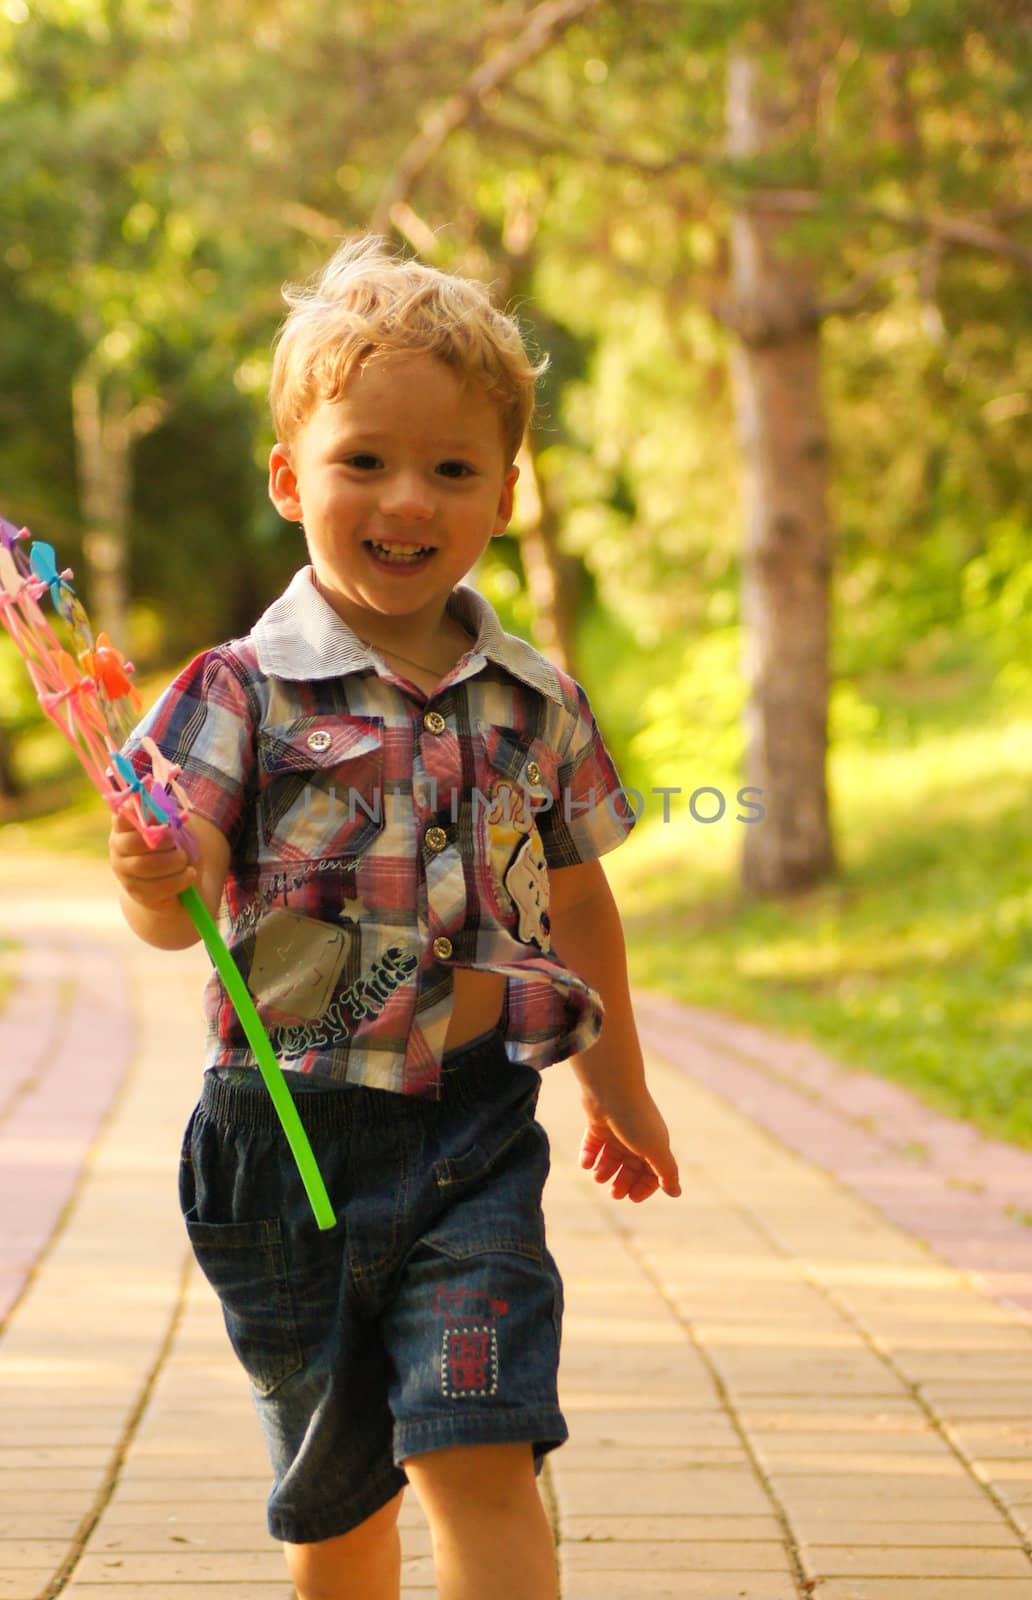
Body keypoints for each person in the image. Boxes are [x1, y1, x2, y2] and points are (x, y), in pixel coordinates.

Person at [108, 233, 682, 1600]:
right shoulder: (234, 692)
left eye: (450, 467)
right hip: (280, 1142)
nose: (404, 497)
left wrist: (622, 1087)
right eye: (363, 459)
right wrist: (149, 877)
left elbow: (581, 895)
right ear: (288, 475)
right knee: (337, 1498)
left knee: (480, 1449)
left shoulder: (532, 698)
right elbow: (173, 901)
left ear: (503, 491)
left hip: (474, 1135)